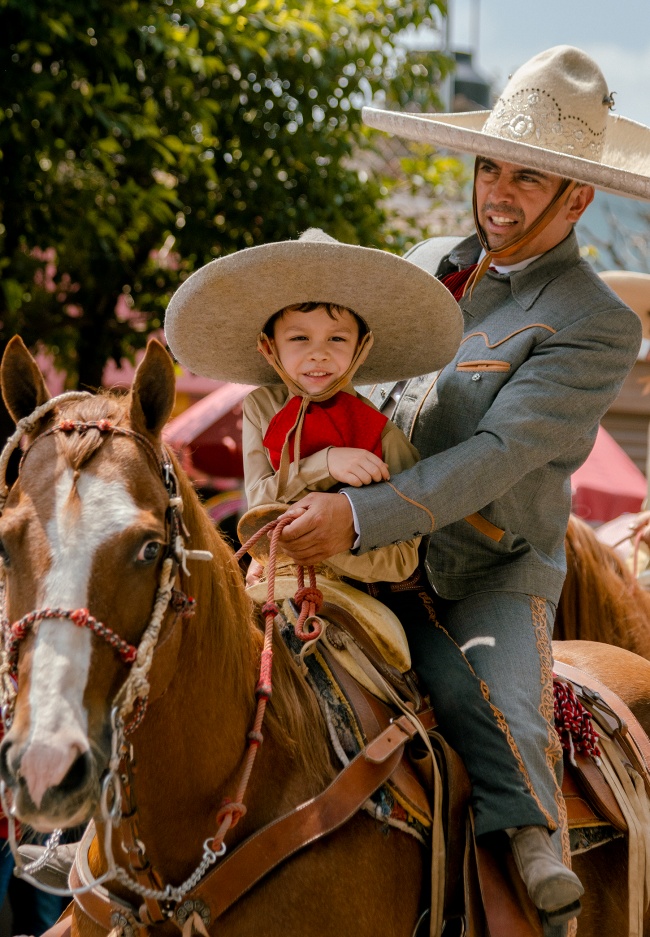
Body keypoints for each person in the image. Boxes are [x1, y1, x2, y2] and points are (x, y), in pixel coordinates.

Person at [266, 45, 650, 930]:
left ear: (578, 197)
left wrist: (357, 515)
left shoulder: (596, 323)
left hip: (486, 577)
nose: (497, 193)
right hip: (359, 552)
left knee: (505, 724)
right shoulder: (423, 260)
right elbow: (355, 388)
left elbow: (494, 454)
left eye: (526, 177)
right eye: (489, 166)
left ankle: (537, 878)